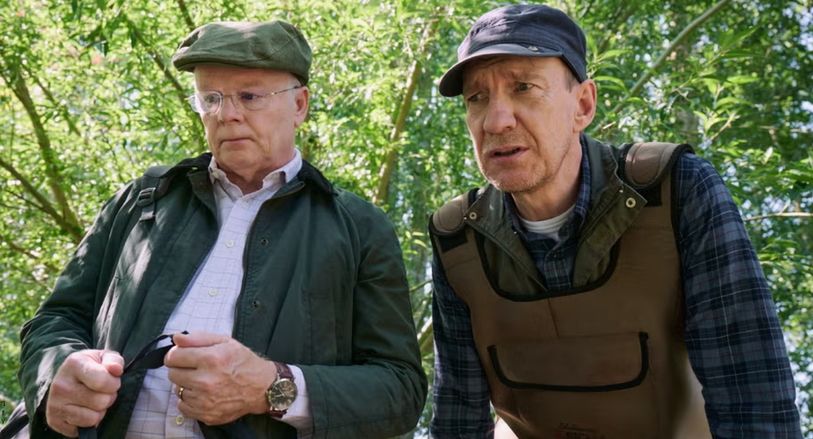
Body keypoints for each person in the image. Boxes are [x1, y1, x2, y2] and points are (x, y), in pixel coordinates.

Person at [17, 20, 426, 439]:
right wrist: (57, 372)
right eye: (210, 98)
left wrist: (272, 387)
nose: (226, 114)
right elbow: (56, 319)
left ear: (300, 105)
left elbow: (400, 390)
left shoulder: (358, 227)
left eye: (249, 96)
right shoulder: (141, 201)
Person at [428, 4, 801, 438]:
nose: (496, 120)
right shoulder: (458, 239)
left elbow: (755, 405)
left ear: (583, 105)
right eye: (477, 98)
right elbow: (458, 423)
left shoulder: (677, 192)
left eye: (523, 88)